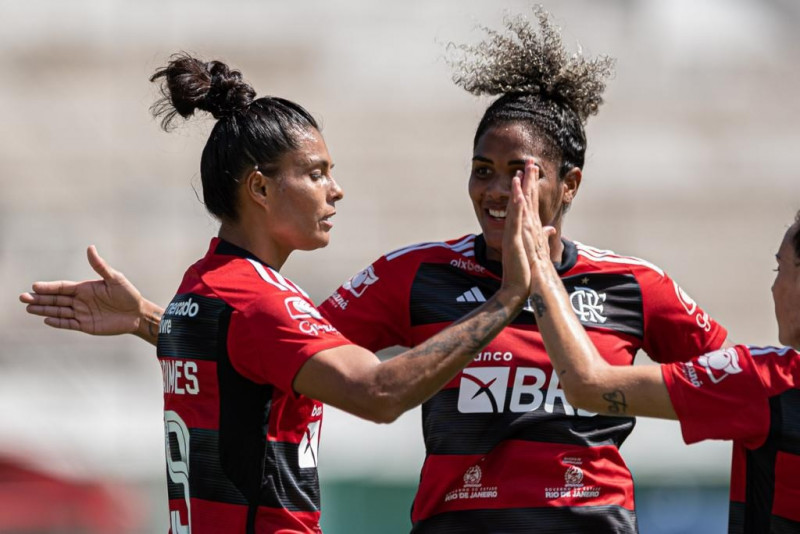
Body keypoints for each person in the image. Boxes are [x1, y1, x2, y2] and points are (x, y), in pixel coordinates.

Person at [20, 9, 730, 534]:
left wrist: (162, 321)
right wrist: (514, 296)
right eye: (481, 169)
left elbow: (741, 391)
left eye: (517, 173)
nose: (492, 190)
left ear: (567, 185)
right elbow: (334, 373)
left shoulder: (636, 285)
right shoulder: (409, 276)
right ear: (262, 187)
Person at [18, 52, 542, 534]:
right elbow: (378, 394)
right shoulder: (259, 299)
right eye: (316, 173)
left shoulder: (200, 288)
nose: (334, 190)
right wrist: (506, 299)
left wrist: (146, 319)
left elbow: (239, 360)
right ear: (261, 189)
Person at [526, 193, 800, 533]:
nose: (774, 286)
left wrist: (540, 271)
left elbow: (585, 385)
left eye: (780, 268)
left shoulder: (768, 379)